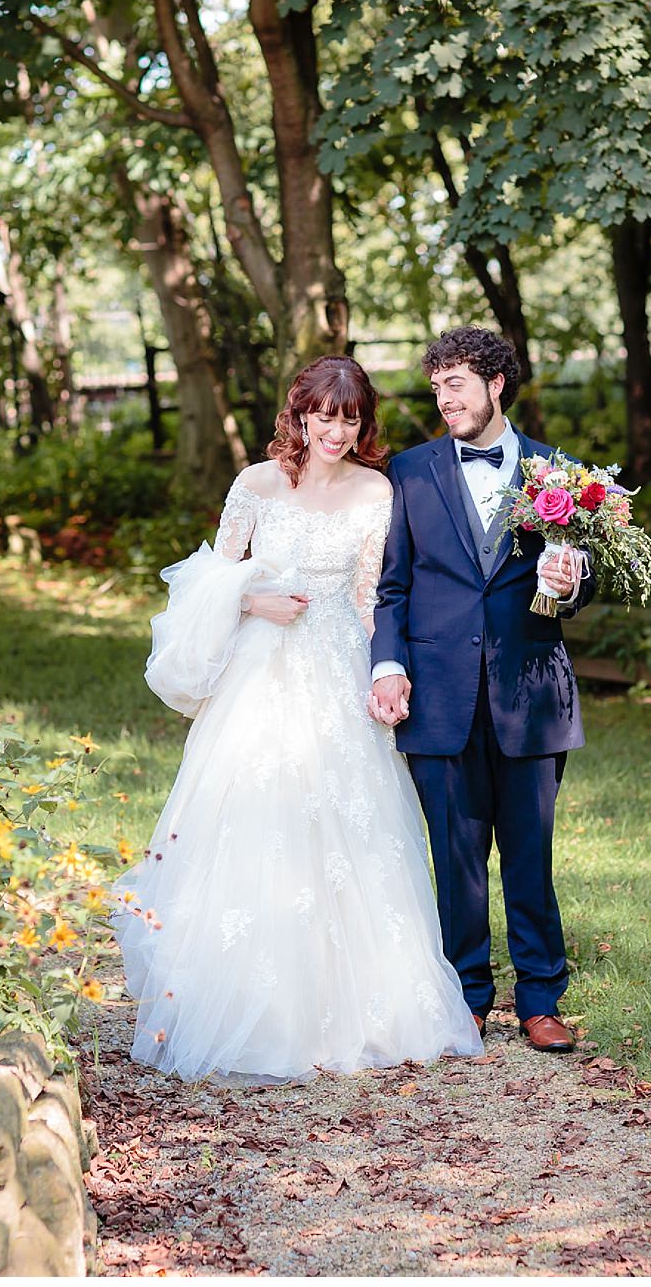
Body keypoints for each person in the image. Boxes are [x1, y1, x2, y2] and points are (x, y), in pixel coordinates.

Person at [109, 355, 481, 1084]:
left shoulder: (376, 491)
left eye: (348, 419)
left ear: (360, 422)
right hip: (263, 666)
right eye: (323, 416)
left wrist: (386, 668)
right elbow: (210, 577)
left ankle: (358, 1006)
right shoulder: (255, 483)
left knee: (350, 823)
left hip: (339, 663)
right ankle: (254, 1004)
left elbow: (376, 592)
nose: (335, 431)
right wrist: (252, 601)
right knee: (255, 813)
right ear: (299, 415)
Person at [367, 327, 594, 1054]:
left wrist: (571, 583)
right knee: (456, 858)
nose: (443, 398)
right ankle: (464, 995)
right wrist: (387, 664)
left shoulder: (558, 474)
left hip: (529, 695)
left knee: (531, 856)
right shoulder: (408, 471)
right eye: (435, 386)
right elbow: (391, 586)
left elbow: (582, 579)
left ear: (497, 383)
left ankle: (540, 999)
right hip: (439, 693)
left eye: (455, 383)